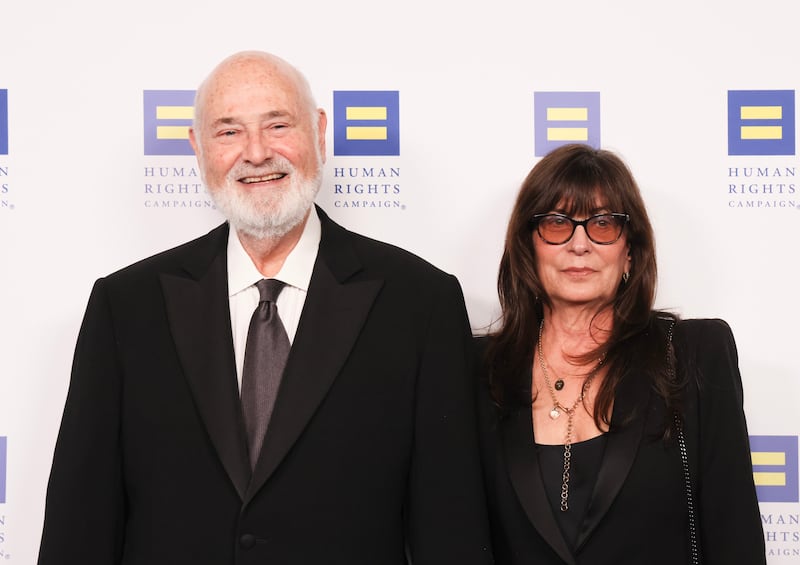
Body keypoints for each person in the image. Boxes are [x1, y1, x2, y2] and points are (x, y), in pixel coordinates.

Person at [38, 51, 492, 565]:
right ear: (198, 148)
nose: (256, 153)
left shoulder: (420, 303)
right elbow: (80, 525)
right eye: (228, 132)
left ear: (319, 133)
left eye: (278, 124)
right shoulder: (125, 307)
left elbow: (451, 527)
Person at [478, 144, 765, 564]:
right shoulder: (479, 372)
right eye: (557, 223)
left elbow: (735, 539)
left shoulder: (693, 356)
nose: (580, 244)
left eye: (603, 224)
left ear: (629, 249)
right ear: (529, 246)